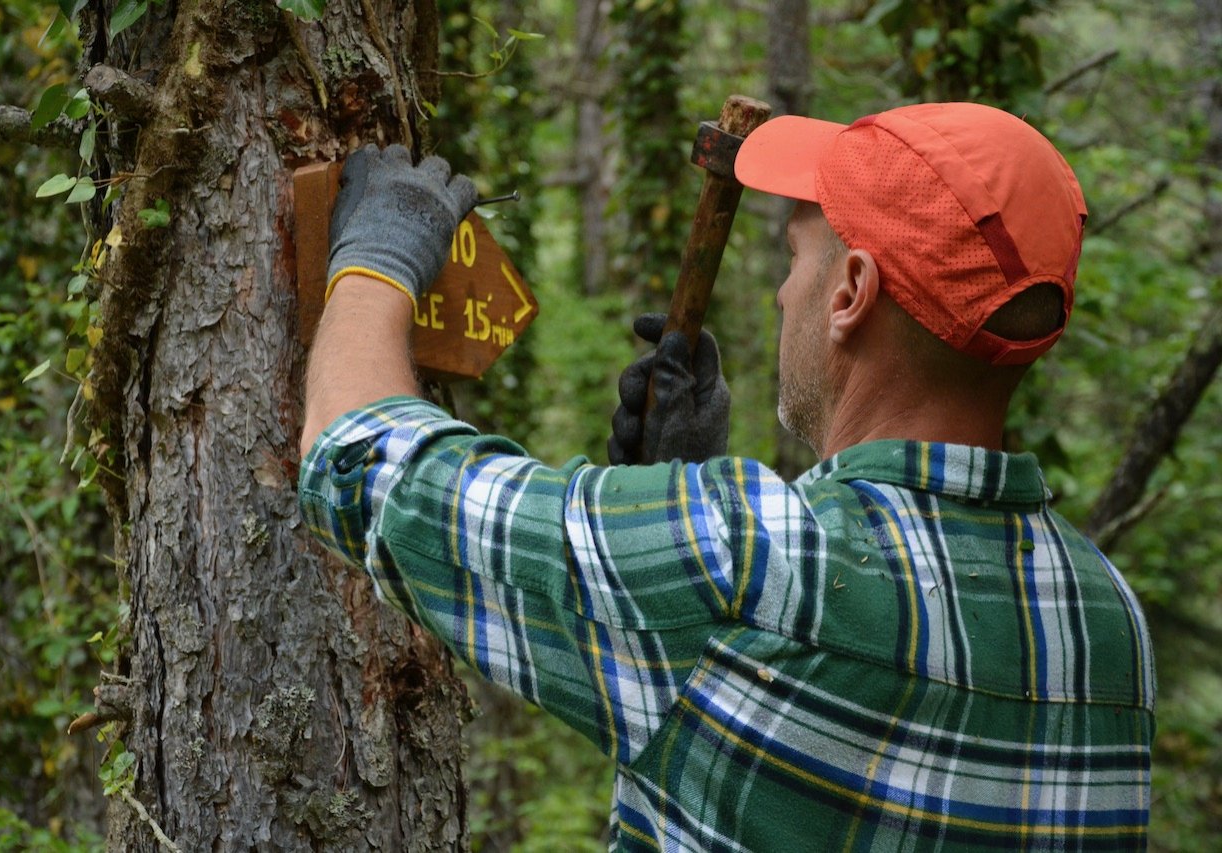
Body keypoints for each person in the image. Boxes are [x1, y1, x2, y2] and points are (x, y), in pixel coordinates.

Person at [299, 104, 1155, 852]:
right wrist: (686, 479)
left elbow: (362, 464)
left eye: (796, 259)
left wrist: (378, 255)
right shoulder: (1108, 620)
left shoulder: (742, 553)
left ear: (851, 291)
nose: (786, 296)